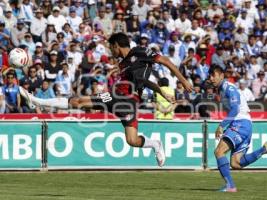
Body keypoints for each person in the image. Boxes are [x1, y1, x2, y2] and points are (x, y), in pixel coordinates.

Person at [20, 32, 193, 167]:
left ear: (117, 45)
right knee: (77, 102)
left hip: (127, 101)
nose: (111, 51)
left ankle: (155, 144)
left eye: (112, 48)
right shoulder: (124, 63)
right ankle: (38, 101)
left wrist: (183, 80)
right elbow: (145, 81)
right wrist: (161, 92)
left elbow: (164, 60)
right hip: (116, 97)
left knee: (132, 141)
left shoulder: (139, 52)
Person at [209, 65, 267, 192]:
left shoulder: (228, 88)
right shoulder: (221, 89)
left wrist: (221, 125)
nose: (211, 78)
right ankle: (265, 149)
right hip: (245, 124)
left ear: (221, 76)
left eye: (213, 75)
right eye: (210, 76)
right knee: (236, 163)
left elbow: (236, 109)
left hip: (240, 123)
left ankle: (230, 186)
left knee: (219, 151)